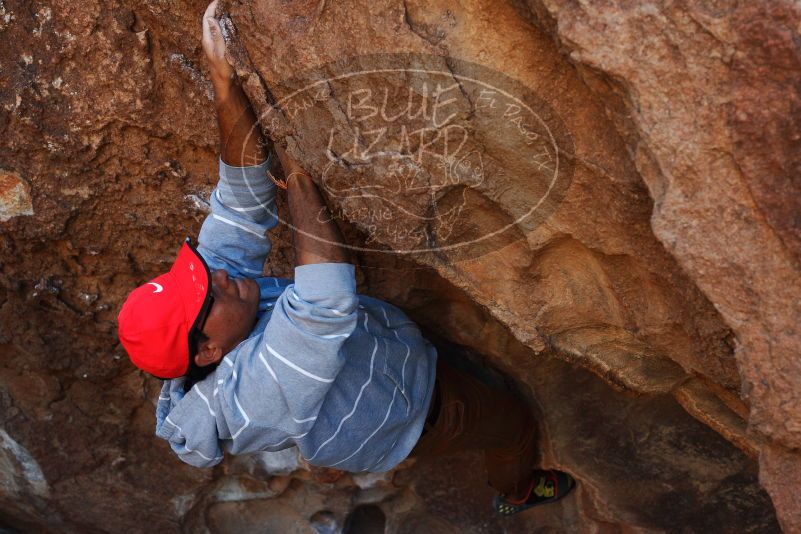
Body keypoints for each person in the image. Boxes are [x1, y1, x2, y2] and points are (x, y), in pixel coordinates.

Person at [116, 0, 575, 516]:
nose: (219, 275)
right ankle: (514, 492)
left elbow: (241, 198)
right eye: (208, 293)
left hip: (384, 360)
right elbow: (323, 307)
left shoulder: (222, 306)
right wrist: (299, 171)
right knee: (511, 424)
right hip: (412, 413)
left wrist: (222, 80)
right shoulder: (248, 400)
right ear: (206, 353)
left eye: (203, 275)